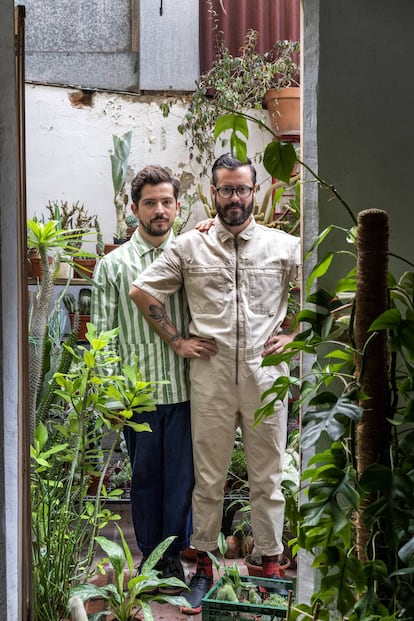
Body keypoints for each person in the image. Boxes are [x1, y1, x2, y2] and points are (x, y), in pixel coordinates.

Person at [129, 153, 301, 614]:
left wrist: (295, 335)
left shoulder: (285, 246)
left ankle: (269, 560)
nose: (234, 199)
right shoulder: (189, 246)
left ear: (255, 191)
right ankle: (204, 560)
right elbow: (142, 290)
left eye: (242, 189)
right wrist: (177, 341)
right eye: (225, 190)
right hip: (211, 375)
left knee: (269, 476)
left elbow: (320, 291)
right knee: (208, 478)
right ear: (213, 193)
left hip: (266, 378)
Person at [91, 165, 194, 593]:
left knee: (184, 480)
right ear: (134, 209)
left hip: (189, 391)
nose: (159, 210)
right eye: (150, 202)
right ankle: (151, 560)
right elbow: (102, 334)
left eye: (167, 201)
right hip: (140, 397)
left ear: (177, 206)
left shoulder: (191, 255)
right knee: (147, 479)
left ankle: (174, 559)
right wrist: (114, 399)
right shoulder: (114, 266)